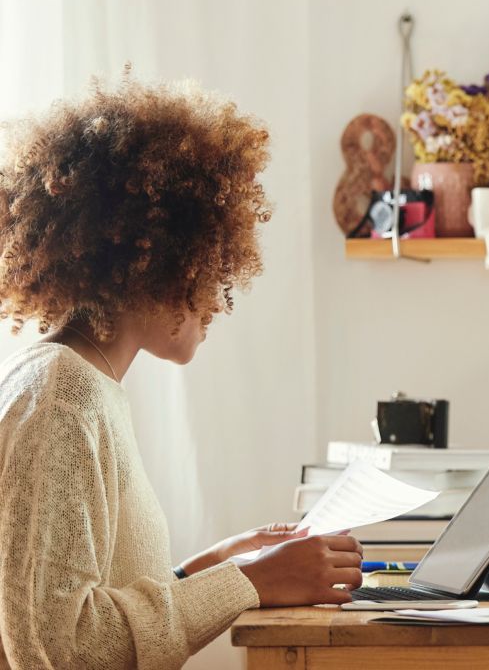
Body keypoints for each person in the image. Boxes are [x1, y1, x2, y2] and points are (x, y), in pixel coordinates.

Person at [0, 79, 364, 670]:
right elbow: (60, 649)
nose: (218, 298)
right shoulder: (61, 399)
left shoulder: (81, 383)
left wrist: (213, 566)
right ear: (157, 261)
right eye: (211, 266)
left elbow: (89, 602)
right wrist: (248, 583)